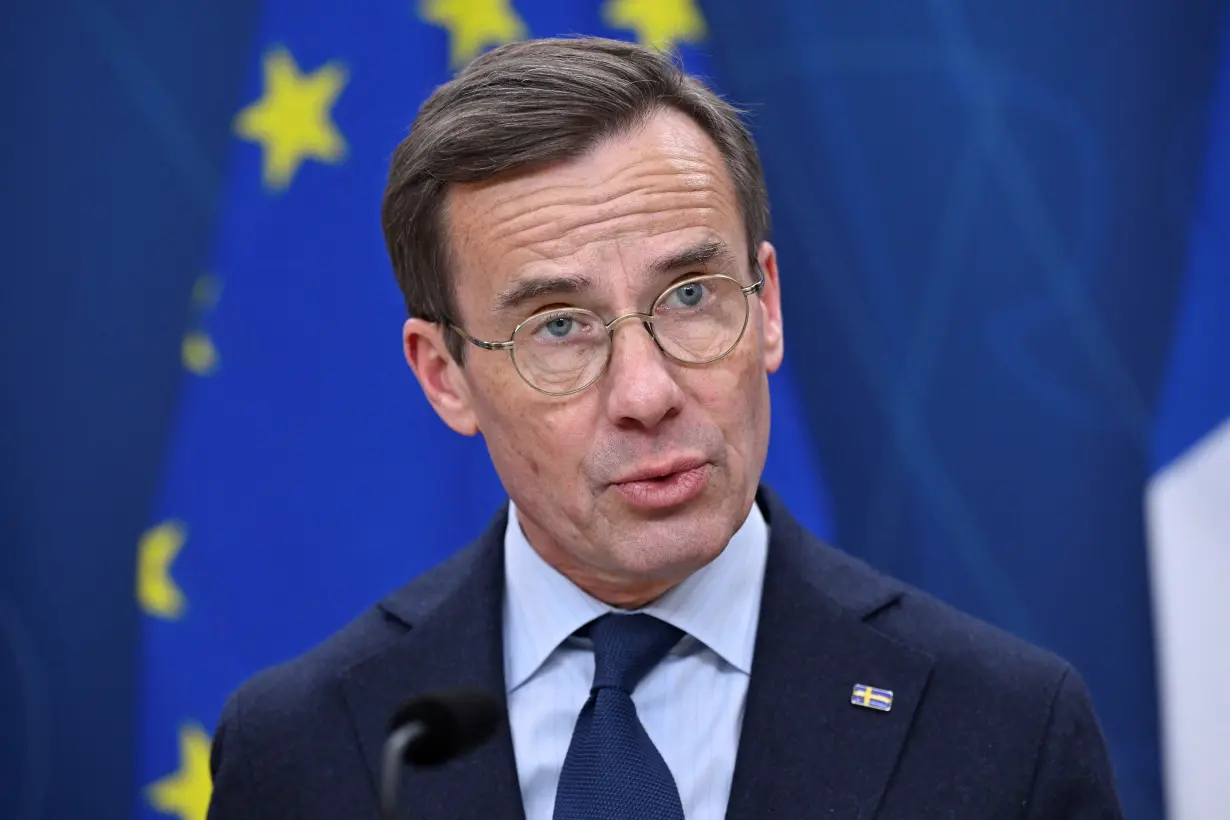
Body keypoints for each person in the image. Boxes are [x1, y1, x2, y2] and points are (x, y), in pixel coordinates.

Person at [206, 36, 1124, 819]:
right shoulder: (306, 746)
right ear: (445, 375)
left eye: (690, 296)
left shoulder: (1005, 731)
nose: (647, 393)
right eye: (558, 325)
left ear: (766, 308)